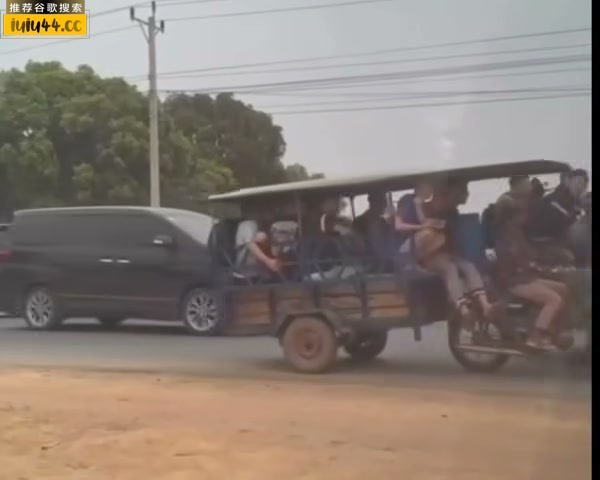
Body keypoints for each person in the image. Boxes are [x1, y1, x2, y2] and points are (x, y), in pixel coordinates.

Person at [415, 179, 496, 328]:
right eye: (463, 190)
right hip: (430, 255)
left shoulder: (452, 212)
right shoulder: (425, 208)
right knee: (450, 269)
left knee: (469, 266)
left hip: (448, 253)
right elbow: (422, 228)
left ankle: (485, 305)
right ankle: (463, 309)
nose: (466, 194)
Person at [494, 203, 571, 351]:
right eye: (522, 214)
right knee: (554, 299)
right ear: (512, 218)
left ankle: (554, 332)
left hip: (527, 277)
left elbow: (529, 256)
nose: (525, 217)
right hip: (514, 282)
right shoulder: (505, 238)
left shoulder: (517, 234)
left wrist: (541, 265)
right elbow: (513, 262)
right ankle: (536, 336)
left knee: (563, 289)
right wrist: (533, 266)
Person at [526, 169, 589, 264]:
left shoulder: (570, 202)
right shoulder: (557, 200)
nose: (581, 187)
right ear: (567, 181)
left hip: (554, 244)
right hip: (544, 246)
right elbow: (566, 225)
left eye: (584, 184)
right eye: (578, 182)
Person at [234, 206, 281, 281]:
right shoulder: (248, 224)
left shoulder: (261, 226)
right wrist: (268, 261)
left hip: (259, 273)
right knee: (262, 236)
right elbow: (250, 245)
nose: (272, 214)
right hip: (245, 274)